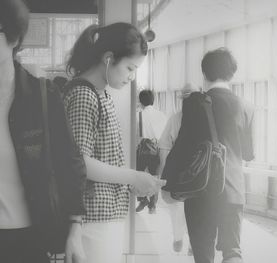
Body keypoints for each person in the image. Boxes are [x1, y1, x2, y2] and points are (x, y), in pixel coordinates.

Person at [64, 23, 165, 263]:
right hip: (92, 217)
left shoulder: (100, 93)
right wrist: (132, 177)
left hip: (102, 214)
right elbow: (81, 163)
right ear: (109, 58)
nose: (132, 77)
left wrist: (134, 182)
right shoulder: (83, 95)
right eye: (130, 68)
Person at [0, 1, 86, 263]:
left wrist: (74, 231)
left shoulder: (42, 97)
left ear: (14, 38)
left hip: (29, 240)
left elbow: (69, 163)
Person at [179, 48, 255, 263]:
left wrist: (170, 184)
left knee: (203, 255)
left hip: (200, 191)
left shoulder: (193, 103)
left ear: (204, 74)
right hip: (233, 190)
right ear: (232, 74)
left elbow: (183, 148)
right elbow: (249, 154)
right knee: (233, 251)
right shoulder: (247, 106)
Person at [158, 83, 196, 255]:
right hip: (196, 172)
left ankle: (178, 238)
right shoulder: (205, 119)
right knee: (193, 207)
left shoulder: (175, 118)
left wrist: (166, 170)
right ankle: (191, 243)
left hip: (178, 171)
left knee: (176, 207)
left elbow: (165, 144)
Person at [136, 89, 167, 214]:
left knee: (138, 175)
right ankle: (153, 206)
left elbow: (136, 135)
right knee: (155, 177)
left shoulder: (139, 115)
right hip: (157, 148)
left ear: (140, 101)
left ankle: (142, 199)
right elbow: (165, 135)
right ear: (153, 100)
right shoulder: (161, 115)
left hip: (143, 148)